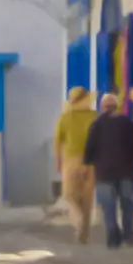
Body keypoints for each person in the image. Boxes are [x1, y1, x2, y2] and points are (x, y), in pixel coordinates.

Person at [83, 92, 133, 249]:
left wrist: (87, 165)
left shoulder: (96, 124)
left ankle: (112, 236)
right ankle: (129, 234)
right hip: (126, 171)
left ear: (102, 107)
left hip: (104, 173)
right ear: (116, 107)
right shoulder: (126, 122)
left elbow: (89, 148)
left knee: (108, 207)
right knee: (127, 205)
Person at [52, 86, 97, 237]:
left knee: (69, 194)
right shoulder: (94, 116)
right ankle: (84, 229)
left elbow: (58, 142)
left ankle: (78, 220)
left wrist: (57, 161)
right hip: (91, 160)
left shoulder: (64, 118)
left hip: (71, 159)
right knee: (87, 196)